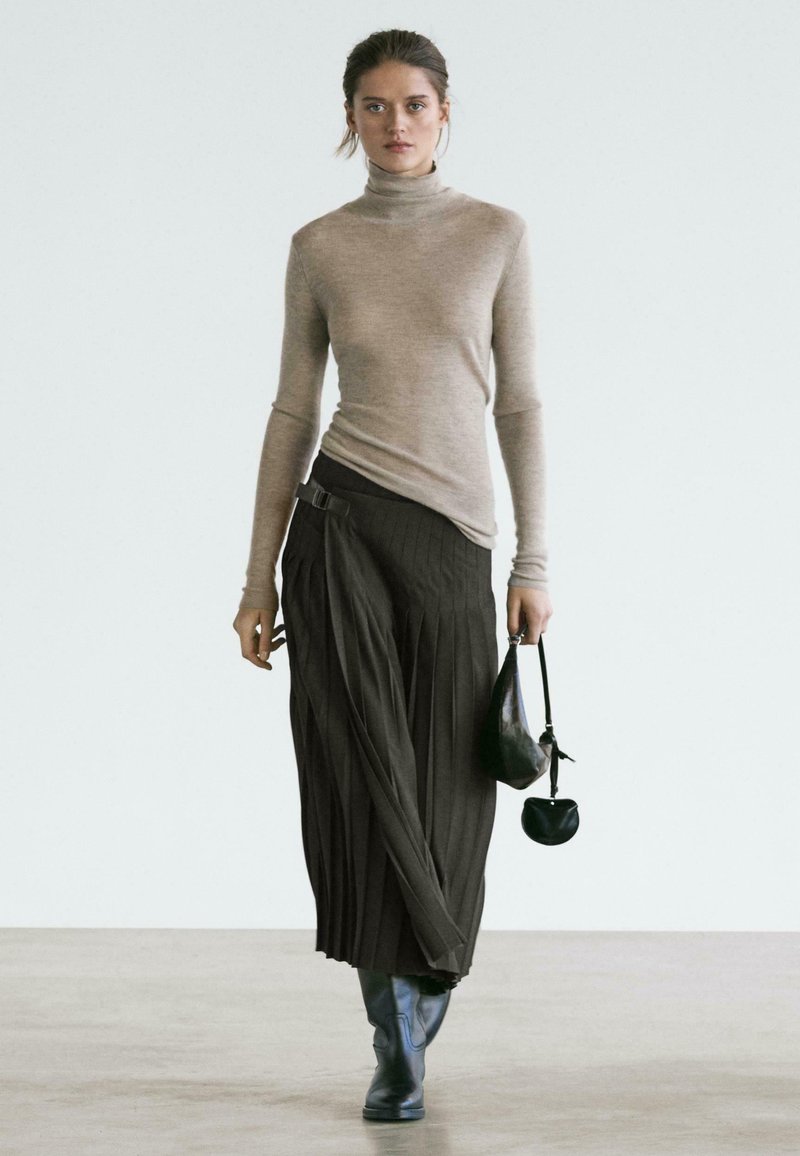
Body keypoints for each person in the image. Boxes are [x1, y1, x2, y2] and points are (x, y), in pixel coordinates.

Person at [232, 28, 553, 1122]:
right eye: (374, 106)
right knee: (361, 776)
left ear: (445, 112)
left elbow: (519, 402)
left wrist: (533, 558)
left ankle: (423, 996)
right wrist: (258, 579)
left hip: (453, 538)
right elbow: (293, 409)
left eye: (414, 104)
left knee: (451, 787)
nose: (395, 123)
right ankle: (394, 1039)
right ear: (349, 118)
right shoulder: (320, 244)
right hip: (339, 531)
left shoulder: (494, 234)